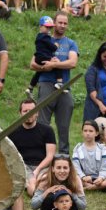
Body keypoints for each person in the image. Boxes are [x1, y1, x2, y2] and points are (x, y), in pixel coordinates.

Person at [7, 98, 56, 210]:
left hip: (42, 166)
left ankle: (35, 191)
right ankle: (32, 189)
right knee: (30, 187)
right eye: (25, 111)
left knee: (35, 185)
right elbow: (10, 156)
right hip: (22, 166)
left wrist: (37, 170)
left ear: (37, 113)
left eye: (32, 111)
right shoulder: (13, 131)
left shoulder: (47, 130)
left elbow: (50, 156)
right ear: (20, 113)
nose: (29, 114)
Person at [30, 11, 78, 155]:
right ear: (53, 23)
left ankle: (63, 155)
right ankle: (41, 153)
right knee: (43, 123)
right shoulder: (44, 39)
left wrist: (55, 65)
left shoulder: (70, 43)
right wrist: (46, 66)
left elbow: (73, 62)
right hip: (46, 83)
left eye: (65, 23)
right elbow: (32, 64)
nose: (62, 26)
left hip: (64, 86)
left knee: (63, 125)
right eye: (60, 22)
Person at [72, 120, 106, 191]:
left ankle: (92, 187)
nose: (87, 133)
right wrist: (83, 177)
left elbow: (105, 168)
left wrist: (101, 178)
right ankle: (94, 186)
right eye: (85, 131)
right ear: (82, 132)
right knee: (71, 176)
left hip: (100, 178)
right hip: (84, 179)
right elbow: (76, 167)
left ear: (96, 133)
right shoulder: (77, 148)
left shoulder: (102, 148)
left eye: (90, 131)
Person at [26, 16, 64, 99]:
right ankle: (60, 83)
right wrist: (56, 45)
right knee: (57, 64)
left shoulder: (38, 36)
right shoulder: (45, 37)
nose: (48, 30)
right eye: (46, 27)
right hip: (43, 57)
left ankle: (30, 87)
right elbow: (52, 47)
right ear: (40, 26)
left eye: (50, 28)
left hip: (38, 57)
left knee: (38, 72)